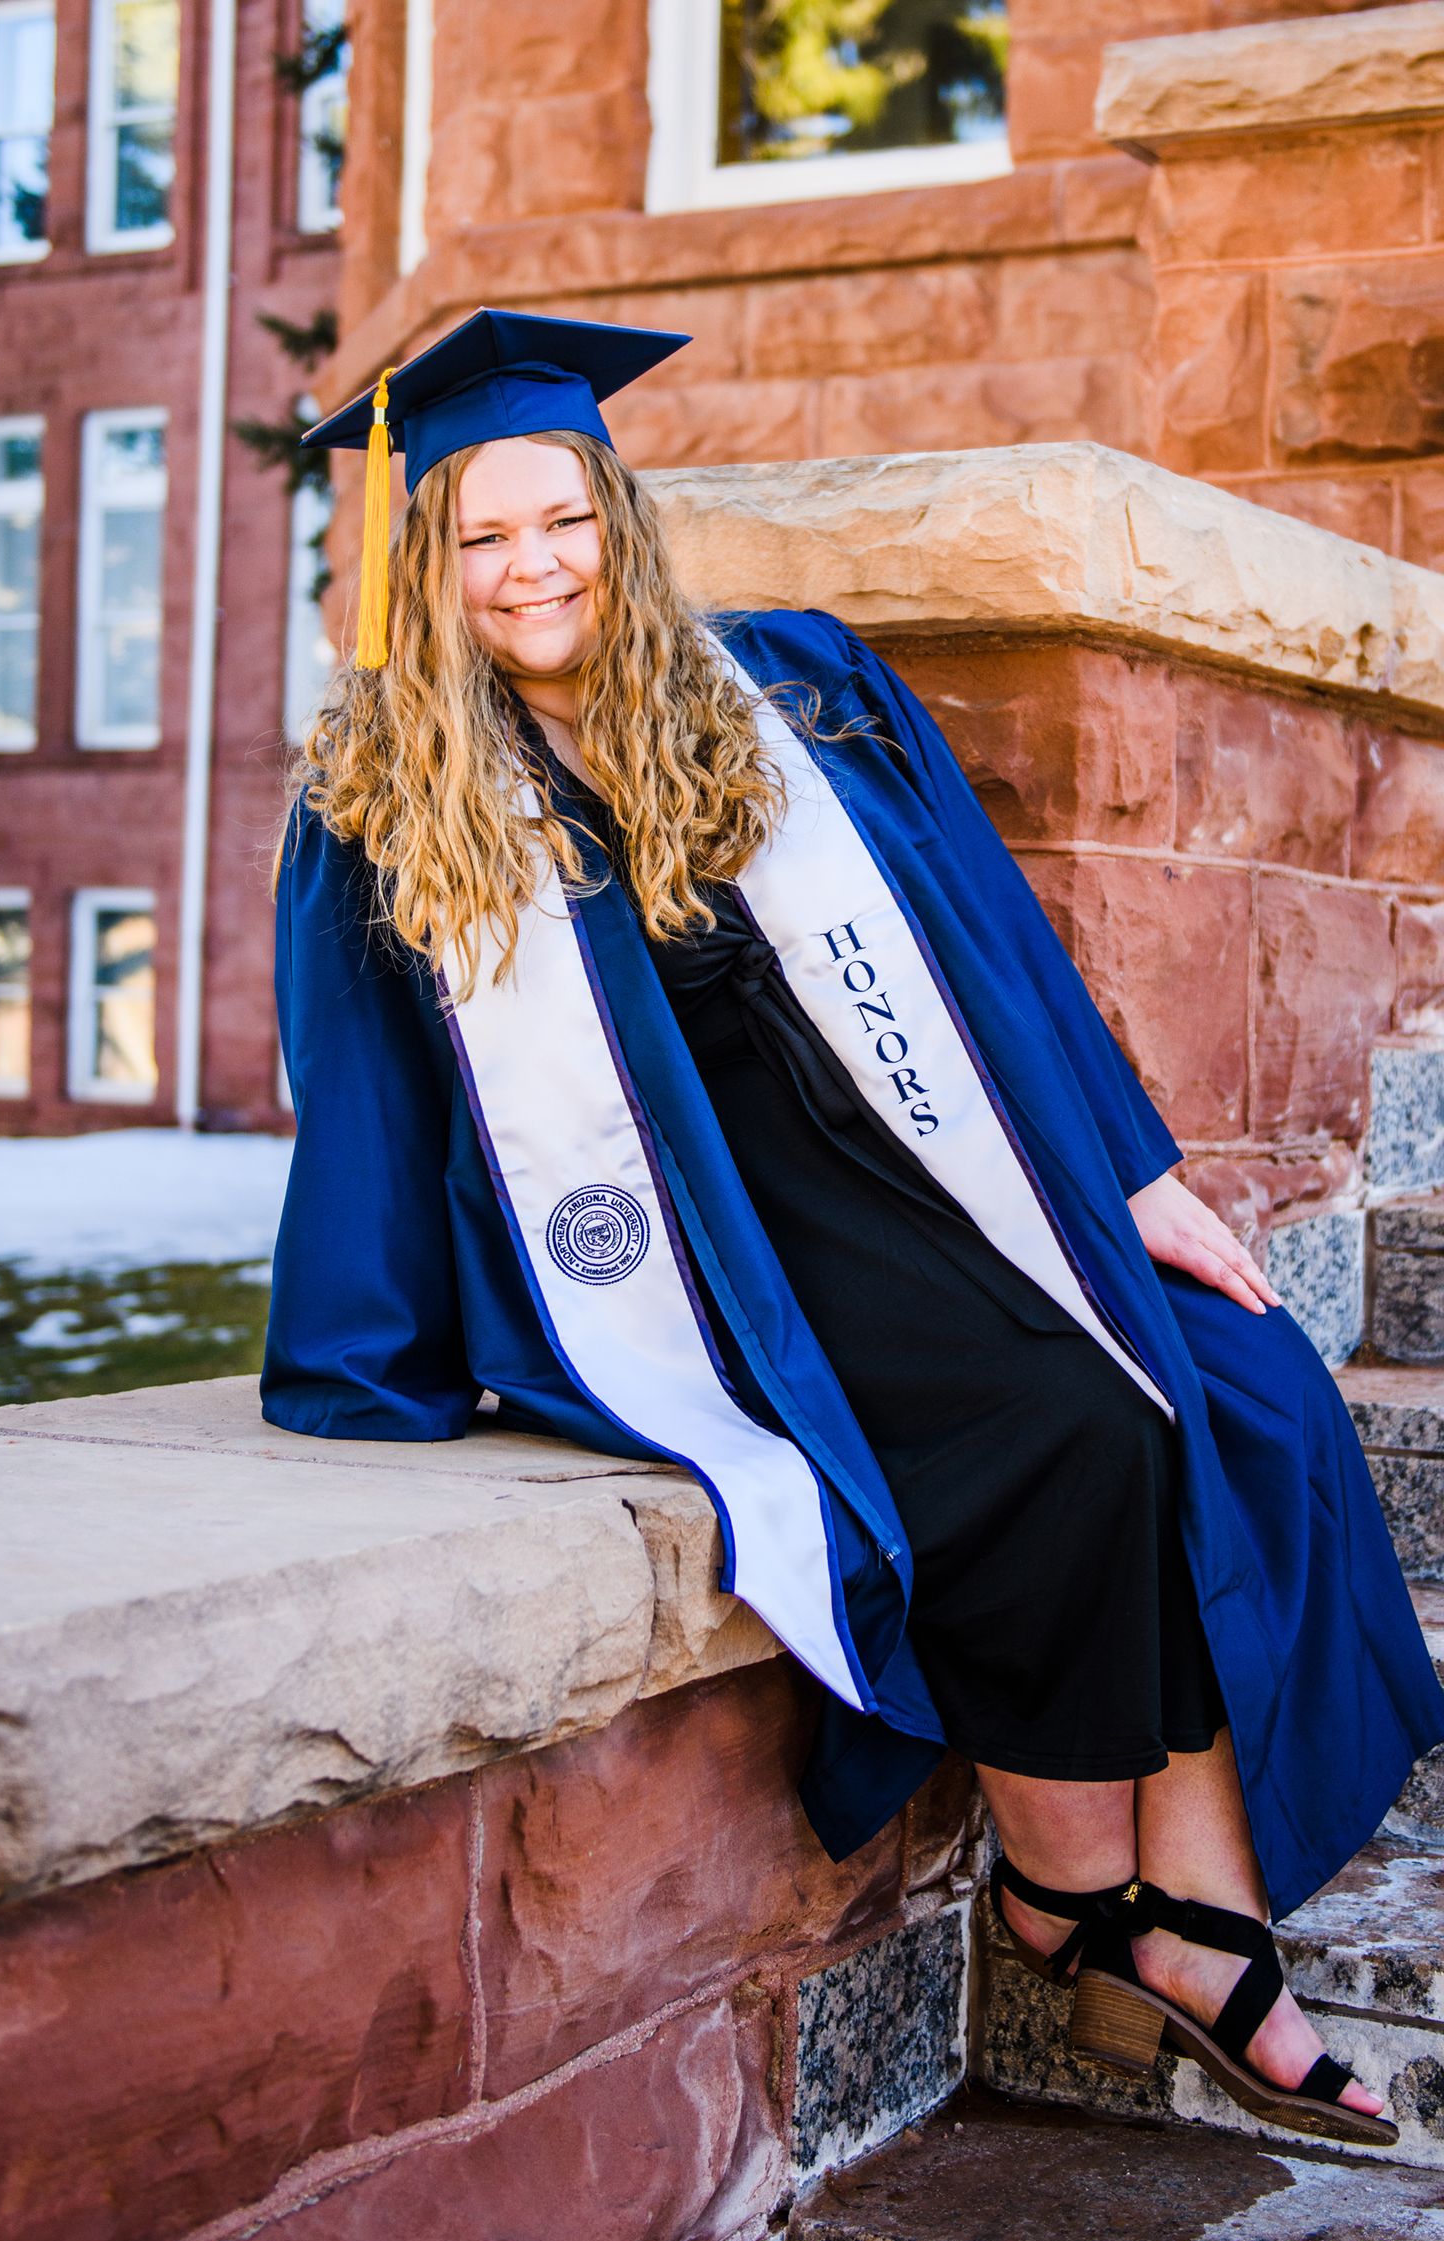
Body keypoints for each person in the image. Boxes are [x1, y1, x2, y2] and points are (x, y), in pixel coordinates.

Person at [267, 310, 1444, 2148]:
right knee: (1081, 1418)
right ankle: (1101, 1897)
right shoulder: (386, 807)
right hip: (718, 1251)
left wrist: (1136, 1183)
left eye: (559, 519)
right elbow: (370, 1103)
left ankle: (1170, 1915)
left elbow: (991, 942)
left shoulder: (790, 689)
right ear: (429, 567)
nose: (531, 568)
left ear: (616, 515)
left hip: (931, 1169)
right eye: (482, 538)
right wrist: (371, 1360)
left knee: (1236, 1381)